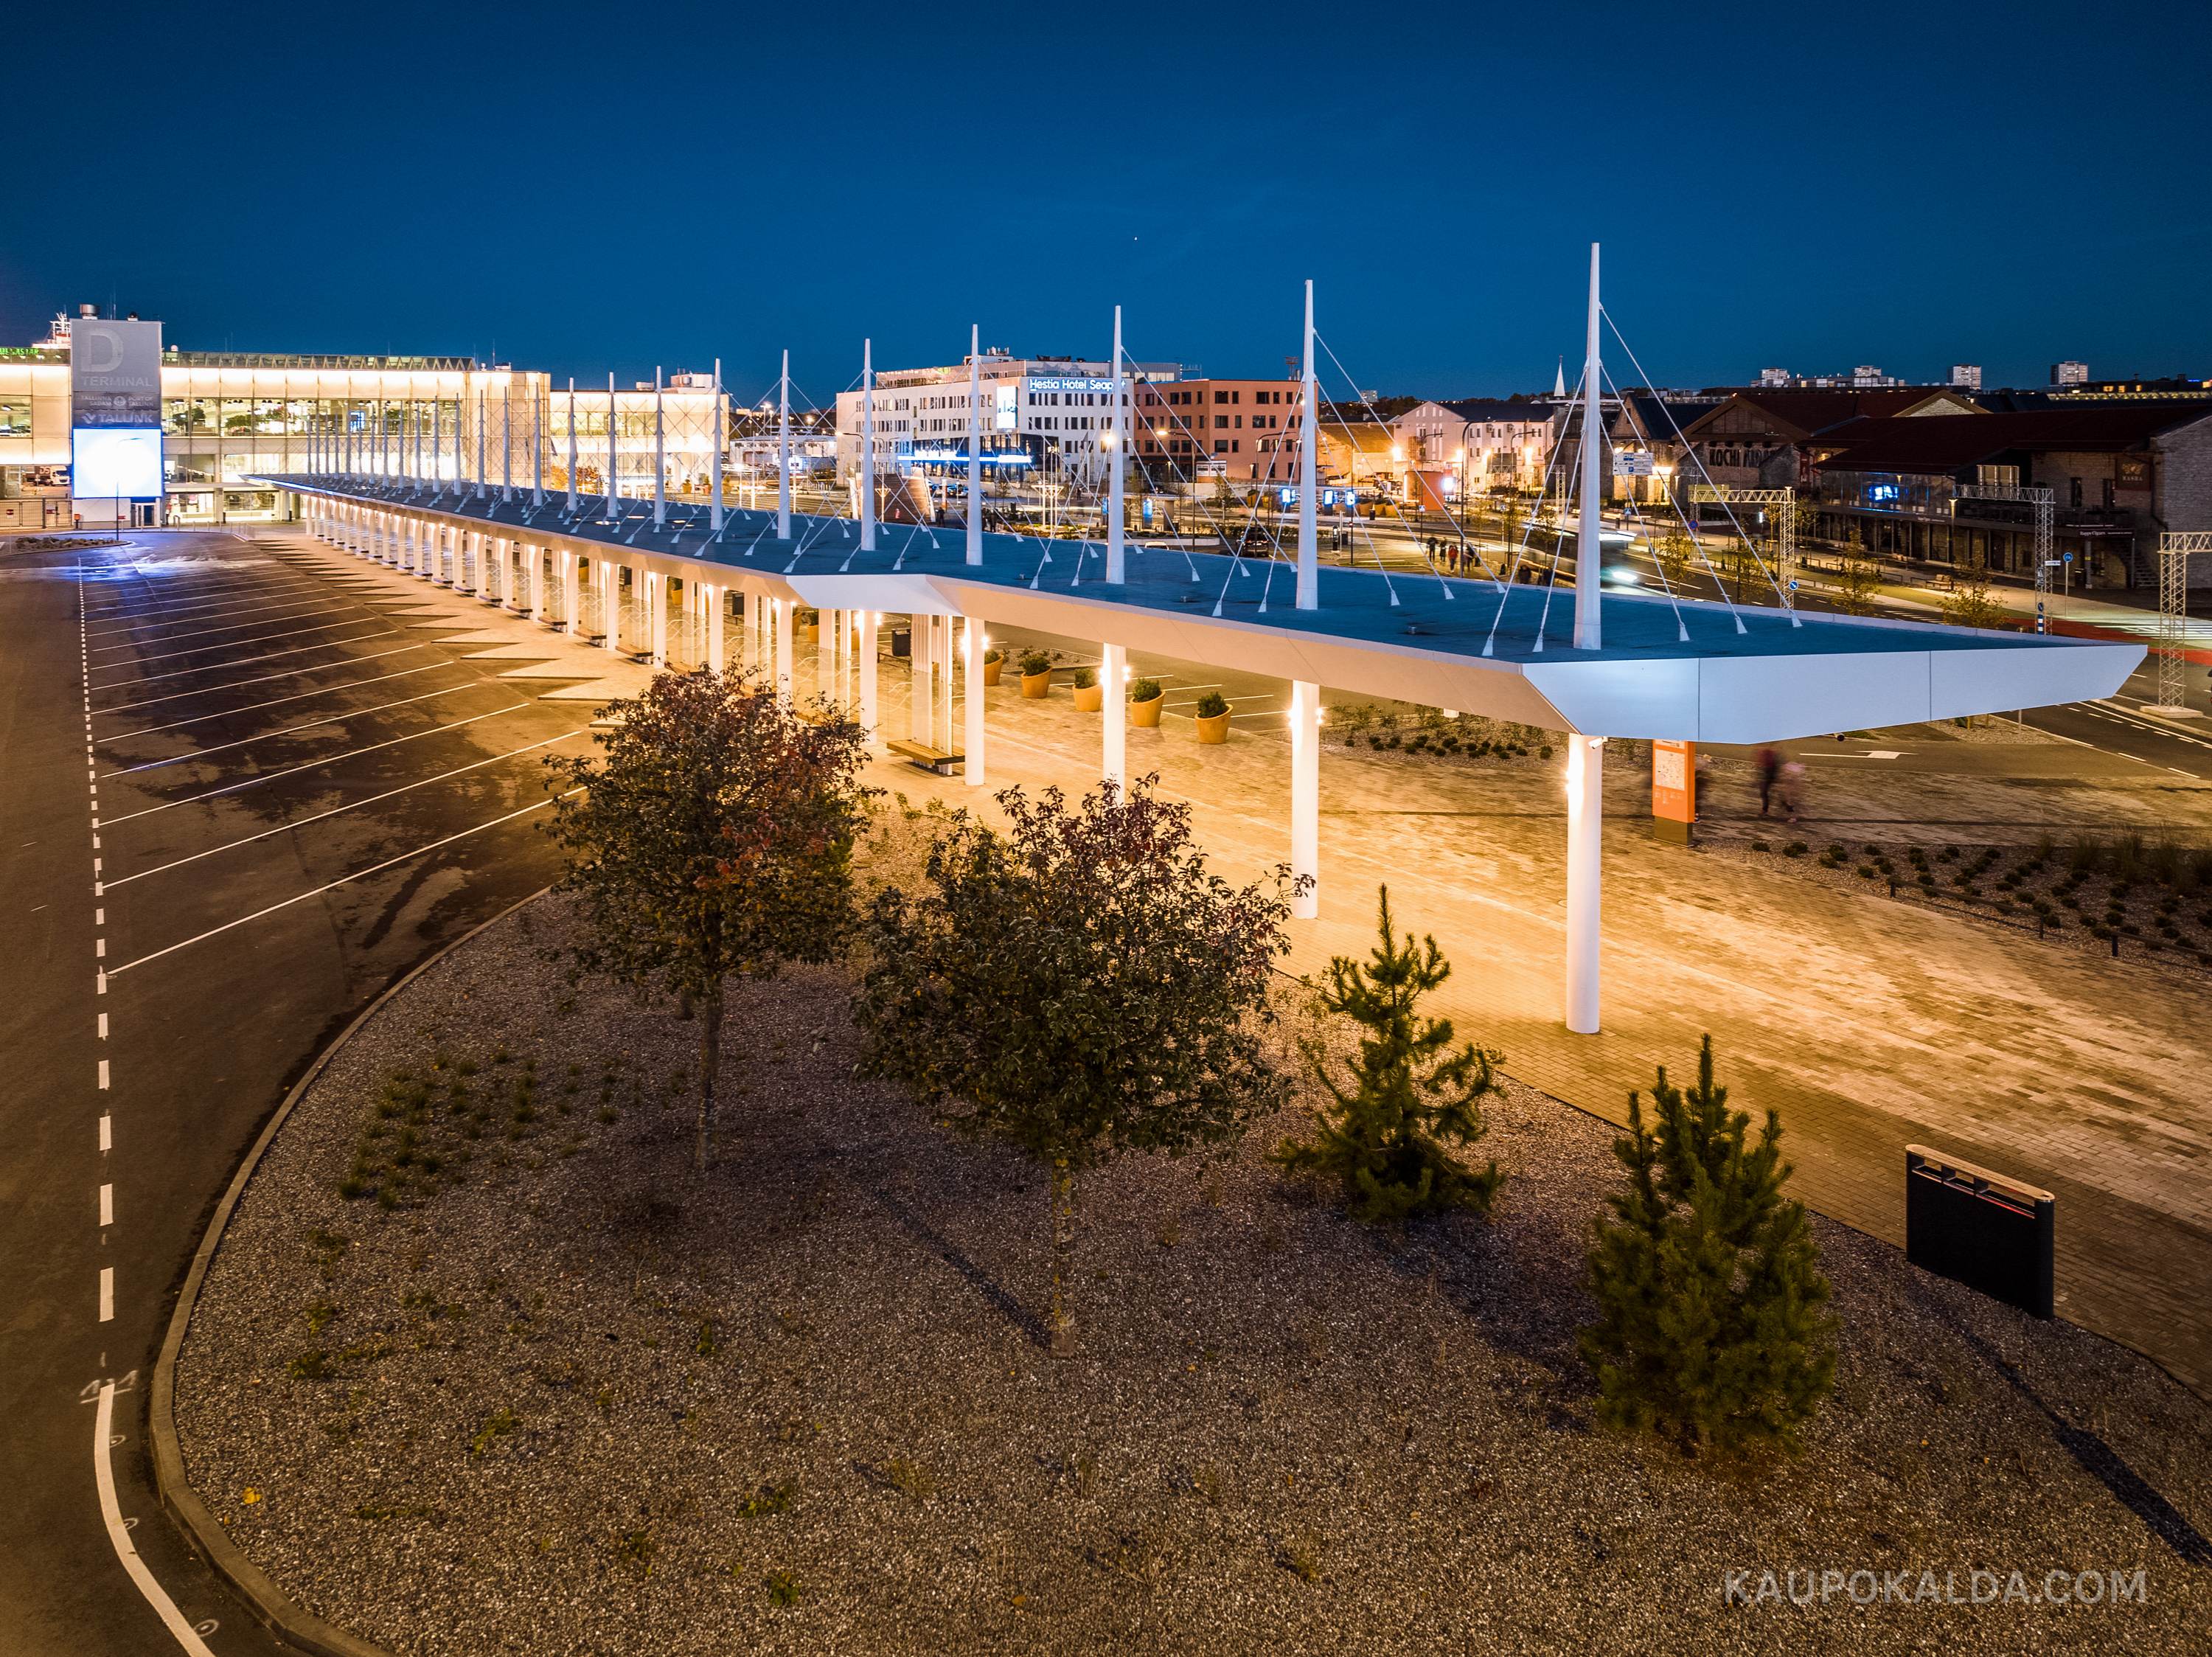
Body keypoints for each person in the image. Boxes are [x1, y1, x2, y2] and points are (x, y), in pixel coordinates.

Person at [1755, 746, 1782, 816]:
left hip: (1770, 773)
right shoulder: (1766, 751)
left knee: (1764, 792)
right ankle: (1765, 809)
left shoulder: (1768, 752)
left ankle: (1765, 810)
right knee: (1765, 792)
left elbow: (1769, 764)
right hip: (1768, 773)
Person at [1779, 760, 1807, 824]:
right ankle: (1792, 816)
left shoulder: (1792, 779)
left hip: (1791, 796)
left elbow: (1793, 788)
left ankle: (1793, 818)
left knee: (1791, 806)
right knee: (1788, 805)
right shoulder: (1793, 778)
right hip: (1789, 795)